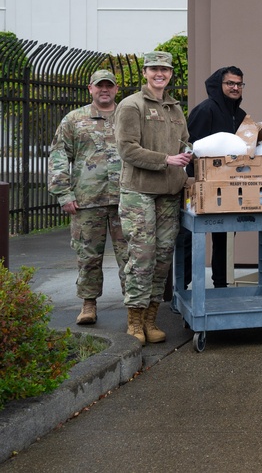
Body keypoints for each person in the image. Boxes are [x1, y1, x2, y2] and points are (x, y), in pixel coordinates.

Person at [115, 51, 193, 344]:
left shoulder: (174, 108)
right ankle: (134, 319)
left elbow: (183, 141)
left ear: (171, 74)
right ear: (145, 72)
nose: (160, 73)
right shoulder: (131, 105)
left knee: (162, 259)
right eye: (154, 69)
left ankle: (150, 318)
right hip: (139, 191)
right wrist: (167, 159)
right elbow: (127, 149)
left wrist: (188, 155)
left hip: (169, 192)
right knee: (142, 256)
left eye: (165, 69)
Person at [47, 68, 128, 326]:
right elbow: (59, 156)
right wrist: (63, 193)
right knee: (88, 256)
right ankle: (88, 304)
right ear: (90, 89)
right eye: (99, 86)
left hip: (125, 199)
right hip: (86, 201)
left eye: (109, 86)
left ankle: (135, 308)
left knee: (129, 256)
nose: (104, 90)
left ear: (116, 90)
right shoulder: (74, 119)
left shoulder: (128, 117)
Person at [176, 66, 246, 290]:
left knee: (224, 236)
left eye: (239, 84)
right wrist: (191, 181)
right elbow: (188, 146)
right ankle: (183, 286)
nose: (235, 87)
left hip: (227, 186)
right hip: (197, 185)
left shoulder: (240, 115)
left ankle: (221, 285)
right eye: (230, 83)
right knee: (188, 236)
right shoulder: (205, 110)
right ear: (219, 85)